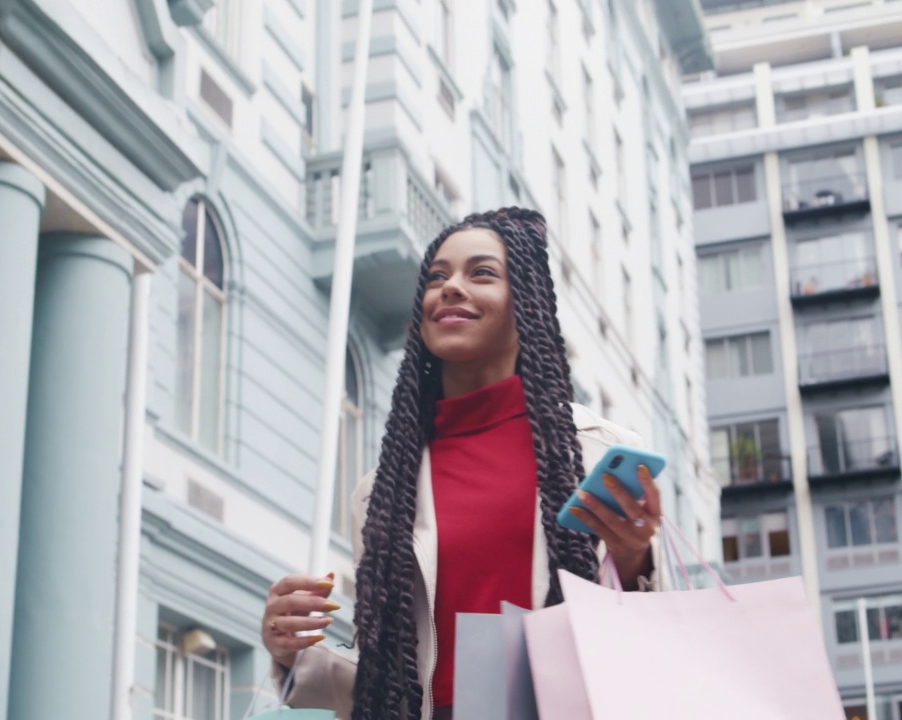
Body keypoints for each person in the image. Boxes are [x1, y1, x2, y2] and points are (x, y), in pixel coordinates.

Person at [259, 208, 669, 720]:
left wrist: (634, 561)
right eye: (437, 277)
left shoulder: (597, 453)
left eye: (481, 273)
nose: (450, 287)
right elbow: (383, 674)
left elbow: (653, 643)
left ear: (528, 303)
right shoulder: (381, 493)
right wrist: (290, 653)